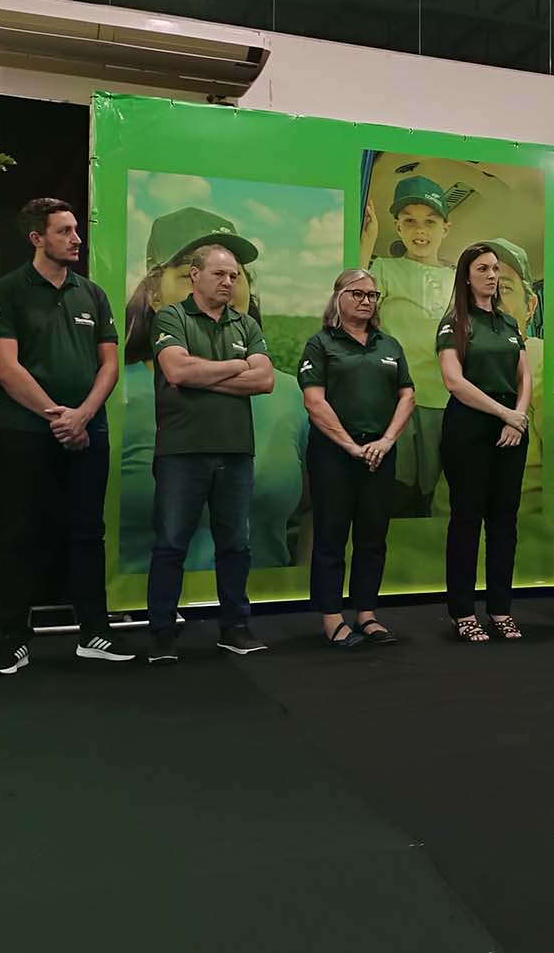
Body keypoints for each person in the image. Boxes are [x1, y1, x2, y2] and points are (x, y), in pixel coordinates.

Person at [0, 198, 134, 674]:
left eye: (75, 230)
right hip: (25, 432)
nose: (76, 239)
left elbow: (109, 363)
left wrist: (83, 416)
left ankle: (94, 635)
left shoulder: (93, 294)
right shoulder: (4, 293)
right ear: (37, 238)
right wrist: (58, 418)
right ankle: (13, 640)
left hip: (89, 431)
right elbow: (6, 369)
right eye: (65, 231)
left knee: (88, 533)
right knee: (21, 533)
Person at [119, 207, 309, 578]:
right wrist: (237, 369)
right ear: (154, 295)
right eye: (192, 273)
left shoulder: (292, 396)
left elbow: (324, 508)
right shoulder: (114, 394)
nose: (219, 285)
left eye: (232, 273)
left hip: (265, 616)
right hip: (140, 618)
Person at [146, 244, 277, 662]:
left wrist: (204, 375)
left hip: (236, 451)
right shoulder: (172, 316)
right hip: (182, 451)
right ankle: (162, 634)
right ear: (196, 277)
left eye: (234, 277)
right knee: (170, 544)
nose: (229, 283)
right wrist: (237, 367)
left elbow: (266, 381)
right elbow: (177, 370)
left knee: (236, 544)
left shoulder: (246, 323)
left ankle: (234, 626)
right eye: (220, 275)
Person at [299, 269, 416, 648]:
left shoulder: (389, 345)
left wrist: (385, 440)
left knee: (373, 537)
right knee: (331, 537)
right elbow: (315, 402)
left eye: (372, 295)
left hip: (379, 454)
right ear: (338, 297)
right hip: (334, 455)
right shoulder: (321, 344)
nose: (366, 301)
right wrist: (350, 446)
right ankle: (332, 619)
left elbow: (407, 397)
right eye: (357, 294)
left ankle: (366, 615)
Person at [438, 243, 531, 641]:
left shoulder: (509, 324)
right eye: (483, 269)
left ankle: (500, 610)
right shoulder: (454, 322)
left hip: (511, 430)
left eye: (495, 269)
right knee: (466, 520)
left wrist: (518, 417)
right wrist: (503, 413)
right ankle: (463, 613)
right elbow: (454, 382)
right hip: (469, 429)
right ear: (467, 275)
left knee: (504, 523)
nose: (492, 275)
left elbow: (524, 375)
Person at [360, 171, 455, 516]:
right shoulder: (384, 268)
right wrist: (368, 242)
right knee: (396, 485)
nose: (420, 230)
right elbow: (354, 297)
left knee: (438, 486)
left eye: (430, 221)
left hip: (443, 398)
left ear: (446, 227)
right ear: (397, 227)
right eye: (410, 221)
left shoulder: (458, 278)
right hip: (394, 395)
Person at [487, 237, 543, 512]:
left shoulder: (539, 357)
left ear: (530, 306)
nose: (491, 296)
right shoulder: (450, 356)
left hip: (520, 514)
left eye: (504, 287)